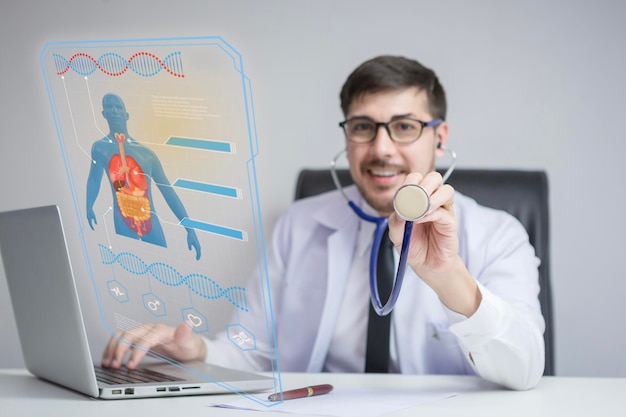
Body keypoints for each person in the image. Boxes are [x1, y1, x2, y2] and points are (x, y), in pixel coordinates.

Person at [101, 56, 545, 390]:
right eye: (363, 127)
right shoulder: (300, 224)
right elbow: (252, 352)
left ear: (440, 138)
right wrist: (196, 352)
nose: (382, 149)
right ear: (347, 136)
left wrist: (448, 277)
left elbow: (524, 369)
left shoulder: (498, 234)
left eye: (405, 127)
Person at [86, 93, 201, 260]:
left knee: (161, 264)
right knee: (131, 266)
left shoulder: (147, 154)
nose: (114, 111)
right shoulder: (99, 148)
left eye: (118, 107)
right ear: (103, 114)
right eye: (109, 107)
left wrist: (189, 229)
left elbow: (168, 192)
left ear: (126, 115)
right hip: (122, 219)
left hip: (150, 221)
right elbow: (94, 179)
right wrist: (88, 206)